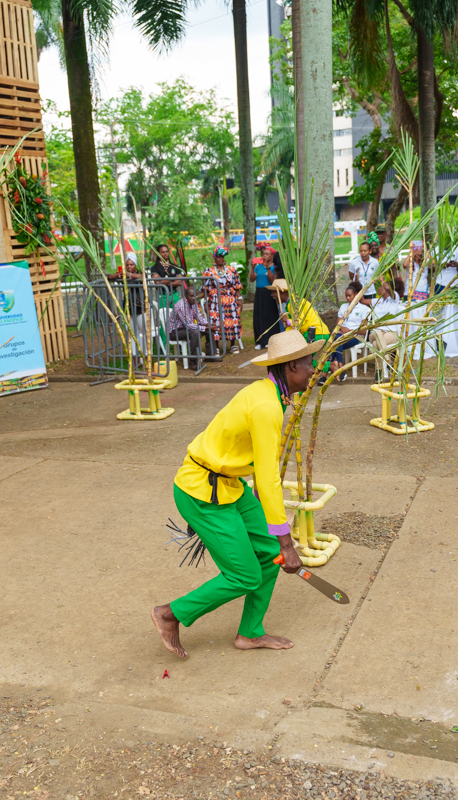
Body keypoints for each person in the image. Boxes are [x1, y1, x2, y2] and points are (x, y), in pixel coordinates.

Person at [151, 329, 312, 658]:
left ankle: (250, 633)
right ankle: (170, 614)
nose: (313, 371)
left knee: (268, 556)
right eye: (310, 364)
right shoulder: (267, 406)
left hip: (229, 486)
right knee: (245, 575)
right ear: (292, 367)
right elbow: (268, 479)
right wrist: (287, 543)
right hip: (201, 492)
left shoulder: (269, 394)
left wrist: (273, 538)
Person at [204, 247, 243, 354]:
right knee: (215, 321)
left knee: (231, 320)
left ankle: (233, 345)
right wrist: (205, 302)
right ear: (215, 258)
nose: (220, 259)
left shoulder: (232, 270)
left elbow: (237, 286)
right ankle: (216, 346)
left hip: (230, 299)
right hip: (215, 300)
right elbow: (205, 289)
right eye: (218, 257)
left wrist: (239, 299)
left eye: (222, 257)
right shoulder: (209, 271)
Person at [334, 282, 371, 381]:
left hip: (356, 337)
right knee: (337, 339)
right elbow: (338, 325)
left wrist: (350, 331)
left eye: (350, 295)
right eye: (346, 296)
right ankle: (341, 368)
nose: (347, 298)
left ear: (356, 295)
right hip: (342, 336)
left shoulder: (363, 309)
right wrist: (343, 329)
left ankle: (330, 371)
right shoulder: (343, 307)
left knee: (336, 341)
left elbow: (364, 331)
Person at [167, 282, 208, 370]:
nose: (194, 298)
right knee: (195, 333)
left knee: (208, 330)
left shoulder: (193, 303)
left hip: (186, 328)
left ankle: (210, 355)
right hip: (175, 332)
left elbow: (199, 317)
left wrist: (208, 325)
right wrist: (205, 327)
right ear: (185, 296)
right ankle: (192, 361)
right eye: (191, 296)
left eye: (195, 296)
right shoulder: (181, 306)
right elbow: (189, 325)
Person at [249, 249, 279, 350]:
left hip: (268, 292)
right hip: (259, 293)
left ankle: (269, 340)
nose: (264, 256)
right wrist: (252, 268)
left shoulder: (273, 267)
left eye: (267, 254)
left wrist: (268, 268)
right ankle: (259, 341)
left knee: (269, 316)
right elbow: (252, 279)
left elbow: (272, 280)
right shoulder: (259, 267)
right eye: (263, 254)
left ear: (271, 256)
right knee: (258, 316)